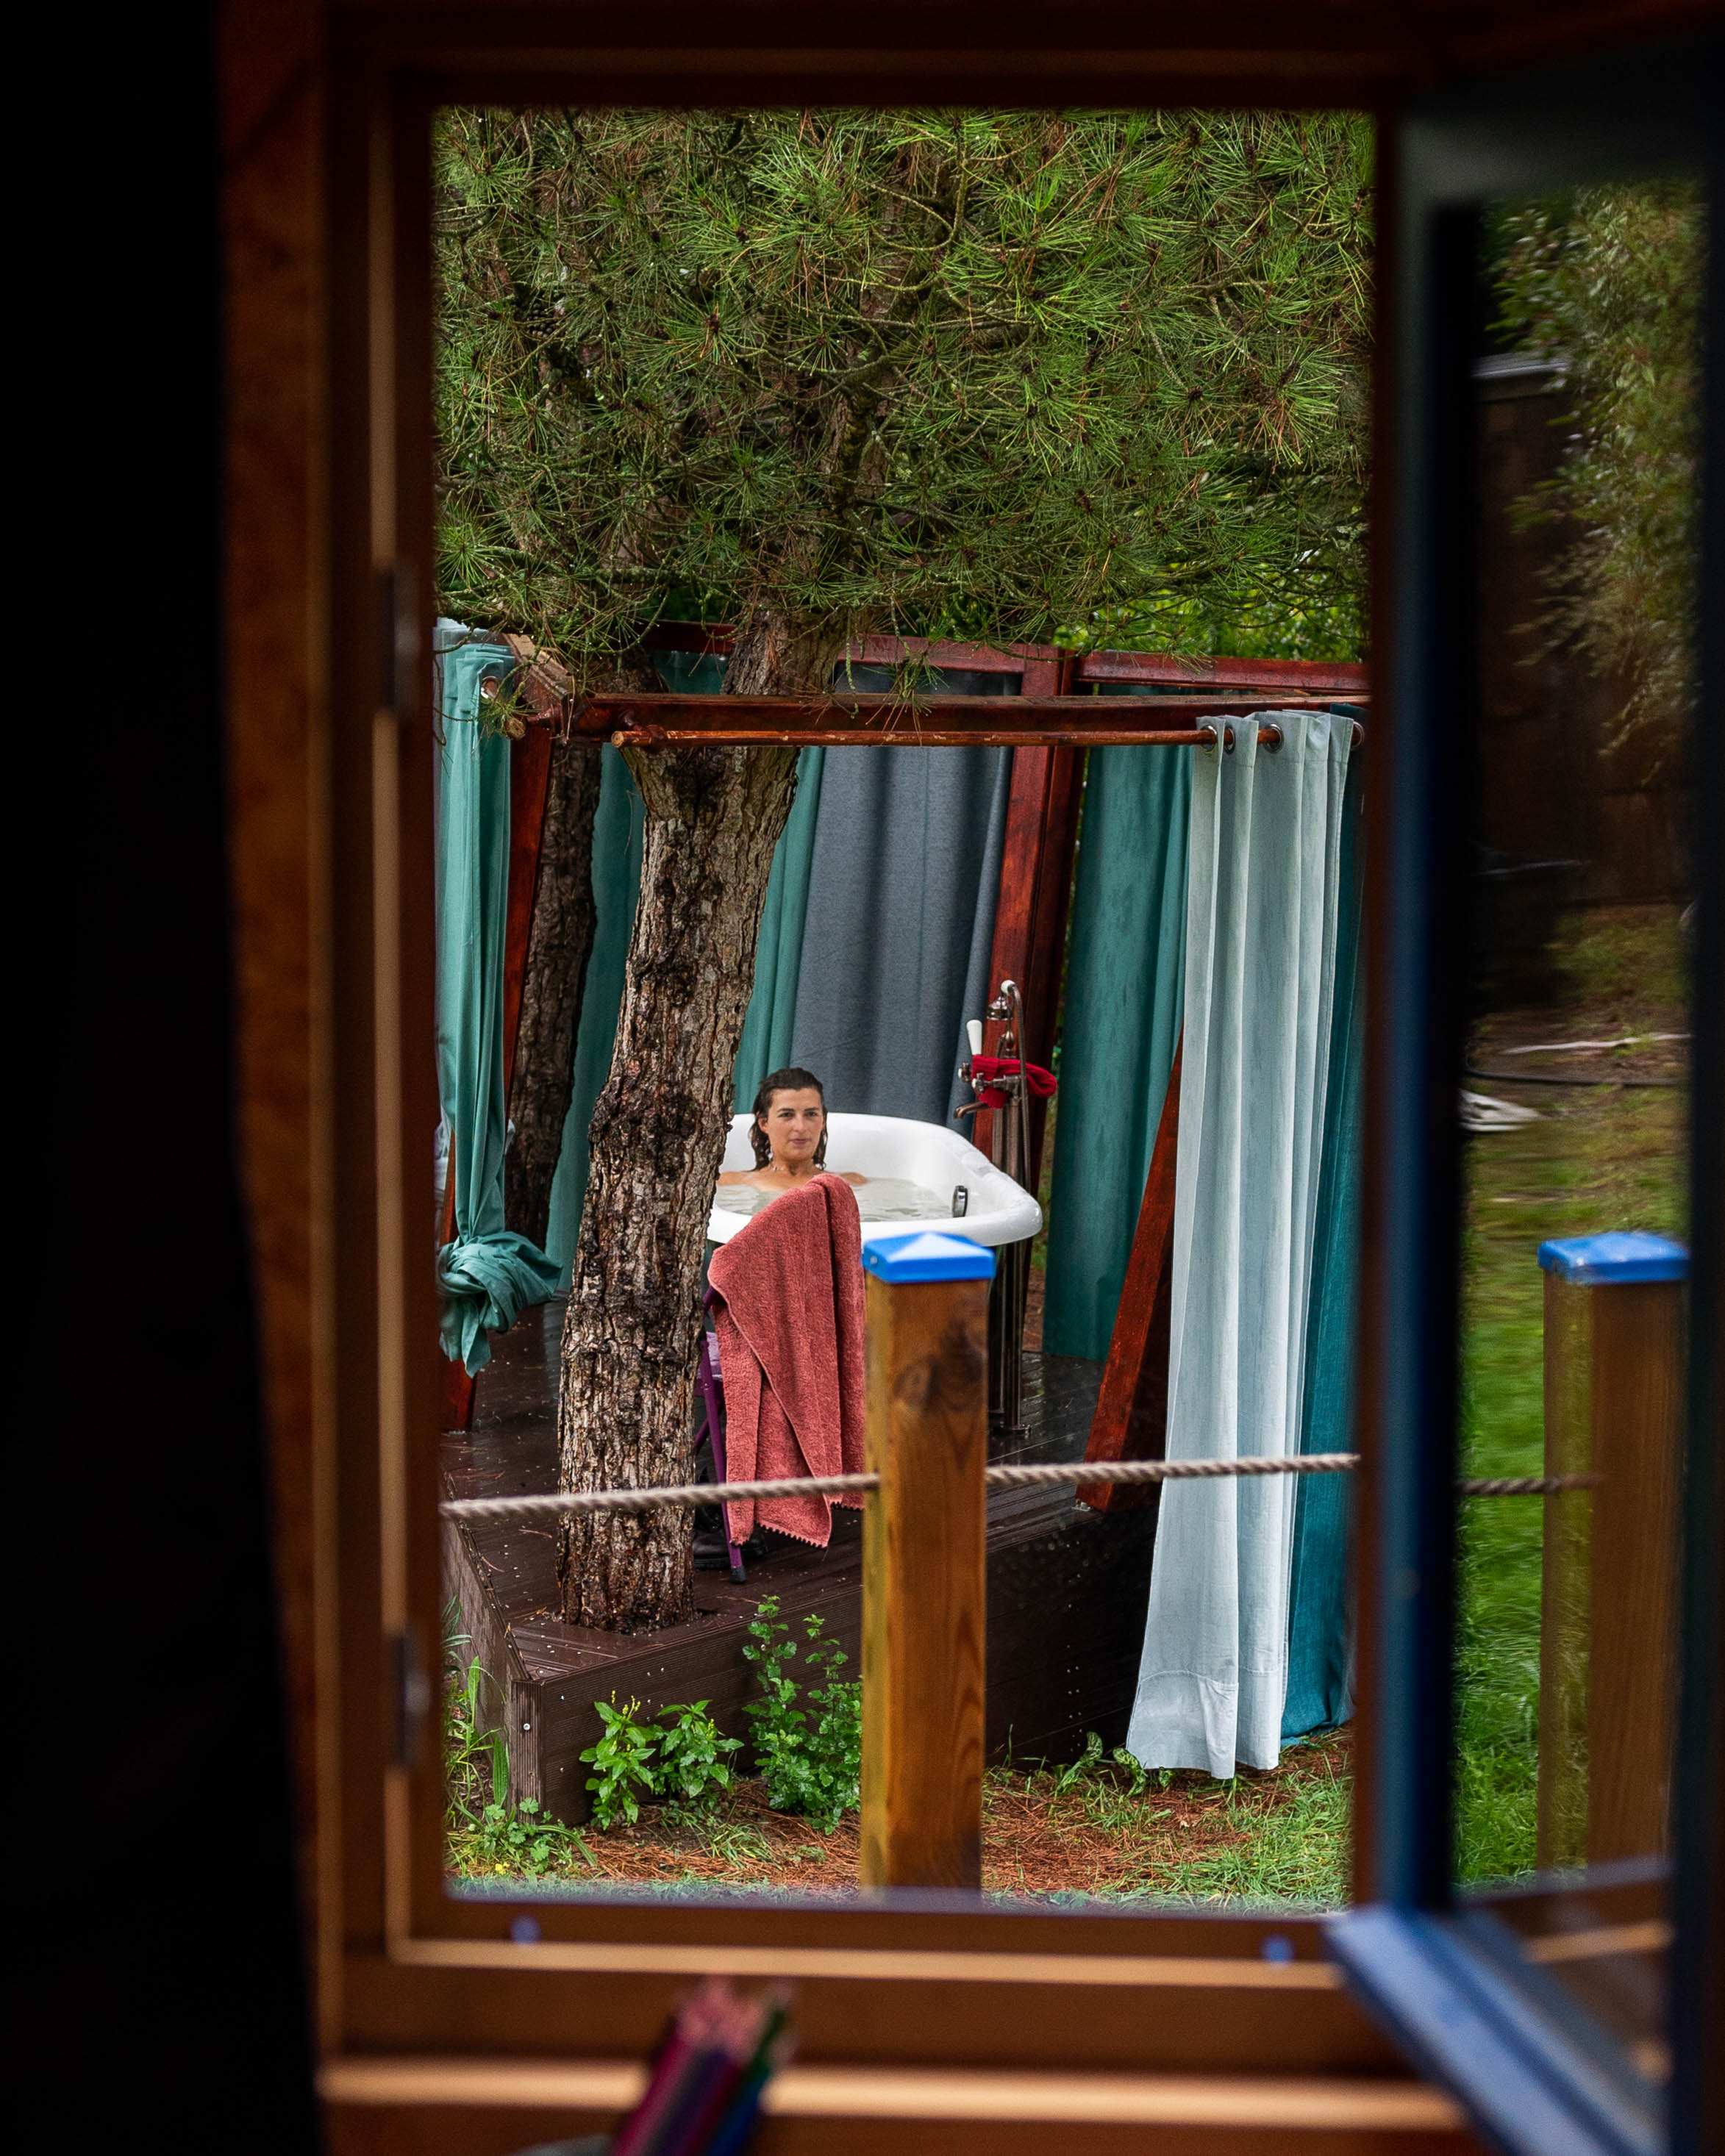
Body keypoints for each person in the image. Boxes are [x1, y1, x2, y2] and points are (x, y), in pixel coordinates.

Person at [717, 1067, 865, 1200]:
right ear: (764, 1123)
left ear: (823, 1122)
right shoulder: (728, 1183)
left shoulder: (853, 1183)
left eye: (811, 1114)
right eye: (787, 1115)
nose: (801, 1127)